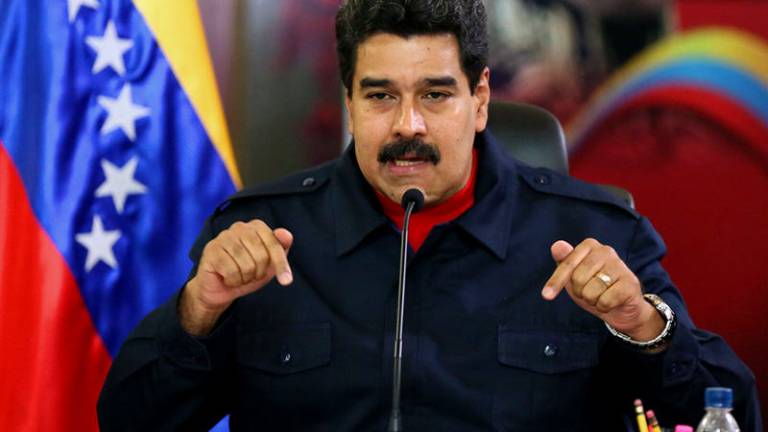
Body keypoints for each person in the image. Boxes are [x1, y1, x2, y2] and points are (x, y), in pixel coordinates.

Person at [97, 0, 761, 430]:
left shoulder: (595, 236)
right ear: (349, 103)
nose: (407, 125)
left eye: (436, 95)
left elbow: (730, 415)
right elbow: (129, 420)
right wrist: (198, 311)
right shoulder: (261, 238)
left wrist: (643, 326)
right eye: (380, 96)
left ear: (480, 100)